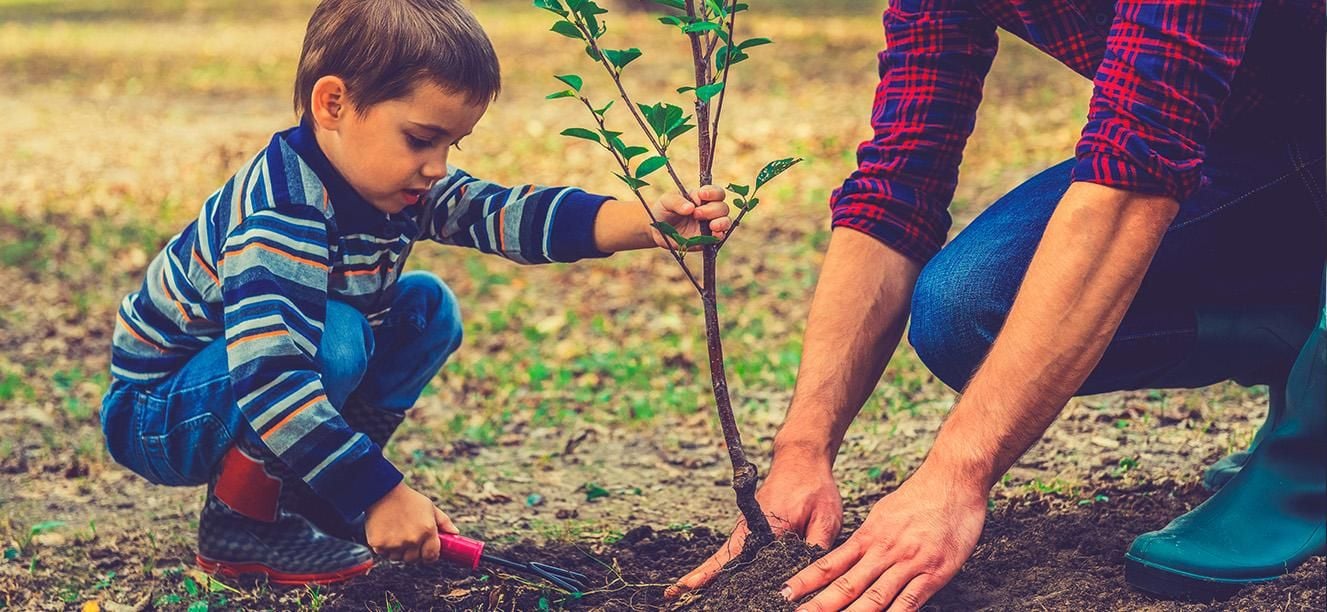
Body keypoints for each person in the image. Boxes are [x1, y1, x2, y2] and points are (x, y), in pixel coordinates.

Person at [671, 0, 1325, 608]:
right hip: (1252, 135)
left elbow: (1134, 179)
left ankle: (1310, 460)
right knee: (970, 306)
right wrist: (802, 449)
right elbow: (898, 181)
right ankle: (1302, 340)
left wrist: (954, 477)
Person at [98, 0, 729, 585]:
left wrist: (644, 220)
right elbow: (272, 377)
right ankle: (242, 529)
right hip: (160, 411)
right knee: (337, 336)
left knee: (425, 309)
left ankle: (315, 497)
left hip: (242, 387)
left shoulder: (391, 183)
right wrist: (379, 493)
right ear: (334, 104)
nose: (438, 165)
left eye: (452, 145)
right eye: (421, 139)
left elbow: (501, 212)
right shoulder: (282, 212)